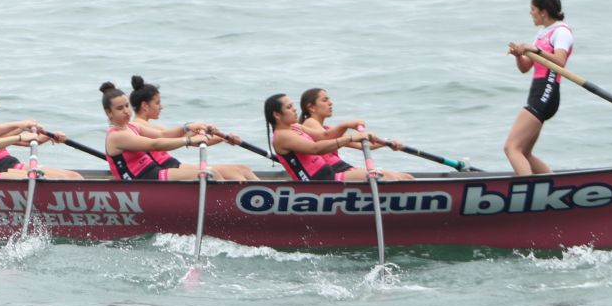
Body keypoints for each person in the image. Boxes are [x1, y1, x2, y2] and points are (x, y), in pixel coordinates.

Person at [98, 81, 255, 182]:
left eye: (127, 106)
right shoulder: (116, 136)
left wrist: (188, 127)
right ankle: (229, 209)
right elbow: (155, 144)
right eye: (120, 108)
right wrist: (188, 140)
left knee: (236, 170)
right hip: (143, 181)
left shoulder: (132, 127)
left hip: (155, 173)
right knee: (210, 174)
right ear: (109, 113)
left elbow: (162, 135)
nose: (126, 111)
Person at [264, 90, 412, 183]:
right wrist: (350, 137)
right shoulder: (281, 136)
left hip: (329, 174)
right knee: (386, 177)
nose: (295, 109)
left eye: (293, 106)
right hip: (319, 182)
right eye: (289, 107)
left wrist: (385, 142)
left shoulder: (295, 127)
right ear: (277, 114)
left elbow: (323, 136)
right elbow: (315, 148)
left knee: (405, 178)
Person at [504, 0, 573, 174]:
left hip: (547, 92)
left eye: (533, 9)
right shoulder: (542, 34)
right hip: (538, 93)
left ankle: (527, 193)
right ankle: (552, 188)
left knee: (511, 147)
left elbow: (560, 61)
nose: (531, 13)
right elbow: (526, 67)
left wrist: (534, 50)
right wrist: (519, 55)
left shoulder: (561, 32)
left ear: (544, 12)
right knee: (524, 152)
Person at [125, 75, 247, 155]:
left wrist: (222, 137)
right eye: (157, 103)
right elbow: (187, 139)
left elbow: (192, 140)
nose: (161, 107)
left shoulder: (153, 128)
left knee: (242, 169)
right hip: (157, 173)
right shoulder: (139, 127)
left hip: (163, 168)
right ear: (145, 106)